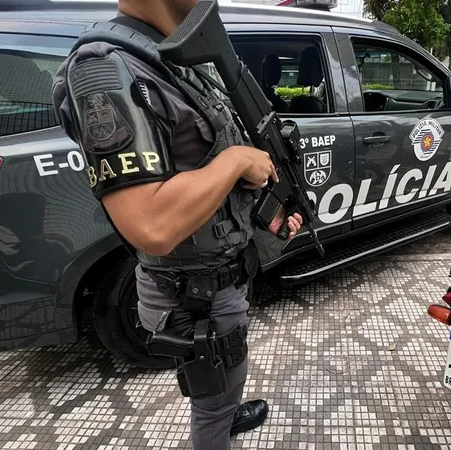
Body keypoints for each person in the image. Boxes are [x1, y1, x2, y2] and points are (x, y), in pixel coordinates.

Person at [51, 0, 303, 448]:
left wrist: (267, 214)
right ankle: (217, 425)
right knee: (212, 398)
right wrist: (237, 159)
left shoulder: (174, 57)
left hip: (220, 277)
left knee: (223, 380)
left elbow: (202, 174)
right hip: (192, 295)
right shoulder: (104, 70)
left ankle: (224, 410)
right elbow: (151, 225)